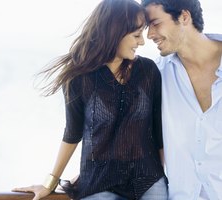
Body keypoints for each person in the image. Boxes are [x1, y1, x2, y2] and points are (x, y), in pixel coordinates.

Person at [12, 0, 168, 199]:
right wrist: (50, 182)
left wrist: (162, 175)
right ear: (114, 32)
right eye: (136, 35)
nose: (142, 42)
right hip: (99, 184)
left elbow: (158, 131)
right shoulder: (79, 79)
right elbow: (72, 133)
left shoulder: (148, 71)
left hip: (148, 180)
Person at [141, 0, 222, 199]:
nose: (150, 35)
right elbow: (130, 131)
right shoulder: (156, 76)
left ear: (184, 17)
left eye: (156, 23)